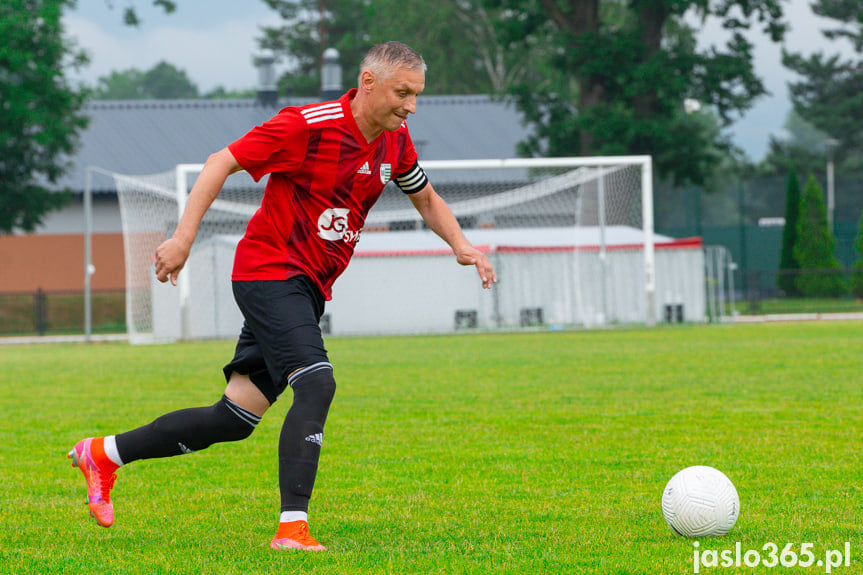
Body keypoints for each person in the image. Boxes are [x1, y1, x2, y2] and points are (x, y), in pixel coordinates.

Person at [67, 41, 496, 552]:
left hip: (307, 288)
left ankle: (105, 453)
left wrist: (462, 245)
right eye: (403, 93)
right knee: (317, 383)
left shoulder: (395, 142)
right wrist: (183, 238)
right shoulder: (306, 125)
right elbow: (218, 162)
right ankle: (292, 528)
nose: (411, 106)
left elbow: (424, 195)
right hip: (269, 273)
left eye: (417, 95)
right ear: (366, 82)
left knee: (233, 419)